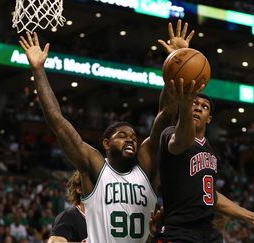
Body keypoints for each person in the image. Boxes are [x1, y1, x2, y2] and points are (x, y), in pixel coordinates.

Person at [18, 30, 199, 243]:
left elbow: (166, 115)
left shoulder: (147, 166)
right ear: (106, 143)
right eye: (122, 135)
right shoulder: (94, 166)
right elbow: (57, 122)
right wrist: (38, 70)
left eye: (133, 136)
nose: (130, 139)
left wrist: (175, 63)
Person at [156, 21, 254, 243]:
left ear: (210, 118)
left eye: (204, 107)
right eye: (194, 103)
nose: (198, 107)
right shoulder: (170, 134)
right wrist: (180, 59)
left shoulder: (210, 150)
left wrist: (252, 216)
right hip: (179, 232)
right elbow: (182, 141)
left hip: (207, 232)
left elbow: (211, 196)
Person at [48, 170, 87, 243]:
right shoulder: (68, 216)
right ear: (79, 189)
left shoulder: (105, 217)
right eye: (92, 183)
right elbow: (54, 242)